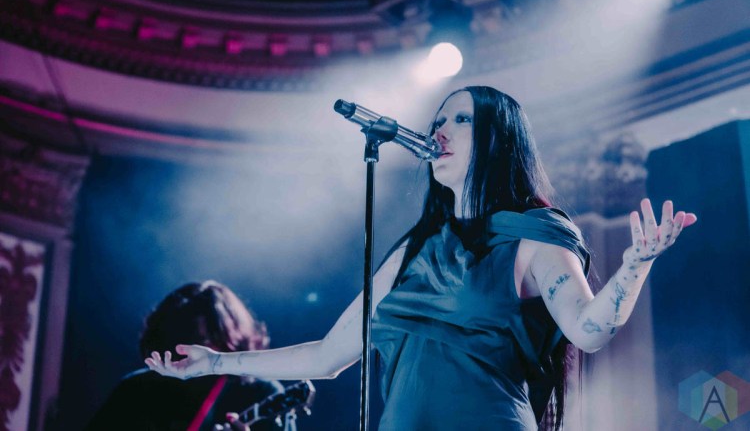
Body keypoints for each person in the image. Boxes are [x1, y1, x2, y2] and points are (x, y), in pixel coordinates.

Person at [146, 86, 697, 430]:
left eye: (461, 119)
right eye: (438, 119)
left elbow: (588, 330)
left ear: (500, 138)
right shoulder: (413, 251)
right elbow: (327, 355)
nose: (440, 130)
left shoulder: (533, 234)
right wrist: (214, 364)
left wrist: (635, 265)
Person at [88, 280, 296, 431]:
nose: (192, 353)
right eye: (182, 341)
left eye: (204, 342)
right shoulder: (135, 389)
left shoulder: (262, 394)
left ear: (230, 339)